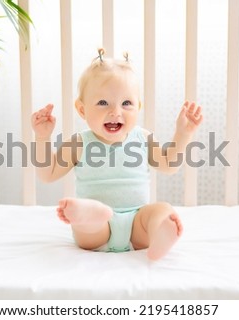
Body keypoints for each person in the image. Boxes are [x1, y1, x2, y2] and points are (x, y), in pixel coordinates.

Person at [31, 49, 203, 260]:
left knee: (160, 210)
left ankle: (161, 232)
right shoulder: (80, 143)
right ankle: (89, 214)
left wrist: (182, 134)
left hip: (137, 223)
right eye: (103, 103)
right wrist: (42, 138)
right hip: (98, 231)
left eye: (126, 103)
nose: (115, 112)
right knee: (90, 223)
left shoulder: (142, 138)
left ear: (138, 108)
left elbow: (169, 164)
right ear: (82, 110)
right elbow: (48, 174)